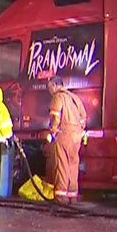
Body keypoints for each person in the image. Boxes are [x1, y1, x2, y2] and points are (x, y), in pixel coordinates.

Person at [46, 76, 87, 204]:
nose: (49, 90)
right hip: (77, 136)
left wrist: (52, 131)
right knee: (73, 165)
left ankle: (61, 197)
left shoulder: (58, 97)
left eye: (49, 87)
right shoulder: (74, 98)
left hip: (64, 134)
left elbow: (55, 118)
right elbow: (83, 119)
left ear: (54, 85)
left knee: (61, 165)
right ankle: (72, 195)